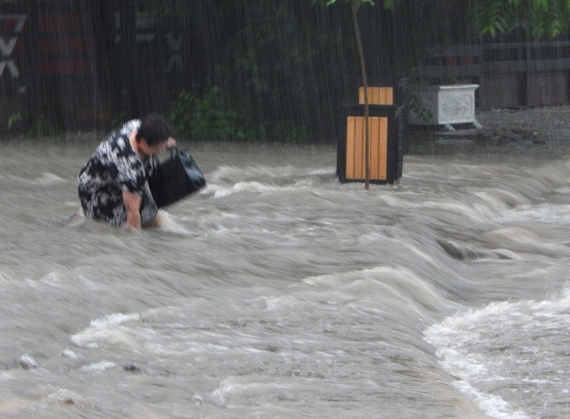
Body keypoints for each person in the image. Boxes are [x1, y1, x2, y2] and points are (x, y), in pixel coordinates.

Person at [78, 113, 176, 231]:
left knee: (151, 210)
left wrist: (165, 141)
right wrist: (136, 244)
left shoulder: (137, 126)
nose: (159, 151)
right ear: (144, 143)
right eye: (157, 148)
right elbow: (132, 213)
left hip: (110, 174)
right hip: (97, 192)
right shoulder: (130, 167)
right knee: (146, 220)